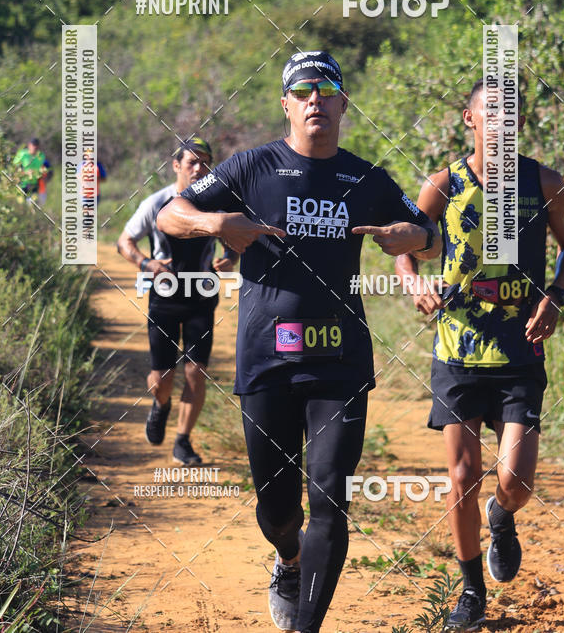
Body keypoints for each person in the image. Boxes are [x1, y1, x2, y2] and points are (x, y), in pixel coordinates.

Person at [157, 51, 441, 633]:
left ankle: (307, 624)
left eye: (327, 88)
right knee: (278, 508)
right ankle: (288, 558)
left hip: (340, 360)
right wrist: (217, 224)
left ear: (342, 103)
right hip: (267, 360)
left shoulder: (367, 178)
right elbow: (171, 214)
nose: (316, 99)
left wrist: (406, 236)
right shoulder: (249, 167)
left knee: (331, 494)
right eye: (303, 90)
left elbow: (429, 235)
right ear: (286, 104)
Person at [395, 80, 564, 631]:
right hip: (457, 346)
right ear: (469, 121)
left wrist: (556, 294)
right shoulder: (445, 183)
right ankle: (470, 590)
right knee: (462, 476)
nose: (500, 124)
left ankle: (502, 518)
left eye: (510, 116)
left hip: (520, 346)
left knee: (517, 480)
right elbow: (408, 243)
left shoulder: (544, 182)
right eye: (489, 115)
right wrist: (413, 285)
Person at [117, 136, 237, 467]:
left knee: (196, 373)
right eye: (192, 162)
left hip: (202, 296)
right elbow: (125, 240)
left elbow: (233, 241)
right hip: (165, 298)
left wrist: (230, 258)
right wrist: (146, 264)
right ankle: (161, 405)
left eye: (205, 162)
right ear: (176, 166)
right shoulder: (156, 203)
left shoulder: (217, 204)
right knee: (162, 378)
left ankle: (183, 441)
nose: (199, 168)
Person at [12, 137, 52, 204]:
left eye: (36, 146)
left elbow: (44, 169)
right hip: (22, 183)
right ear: (29, 145)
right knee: (21, 203)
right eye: (33, 145)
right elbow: (14, 167)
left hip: (34, 184)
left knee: (33, 204)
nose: (34, 148)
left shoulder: (41, 156)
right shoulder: (22, 154)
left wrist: (43, 174)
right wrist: (24, 172)